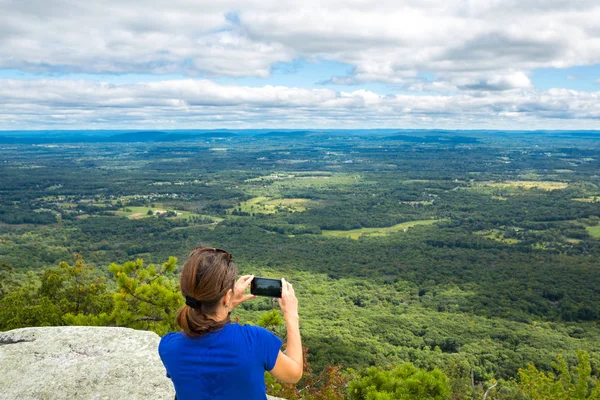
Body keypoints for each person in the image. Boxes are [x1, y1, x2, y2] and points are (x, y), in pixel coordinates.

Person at [158, 247, 303, 400]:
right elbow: (293, 374)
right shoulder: (255, 340)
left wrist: (227, 305)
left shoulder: (169, 346)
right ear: (227, 296)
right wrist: (291, 315)